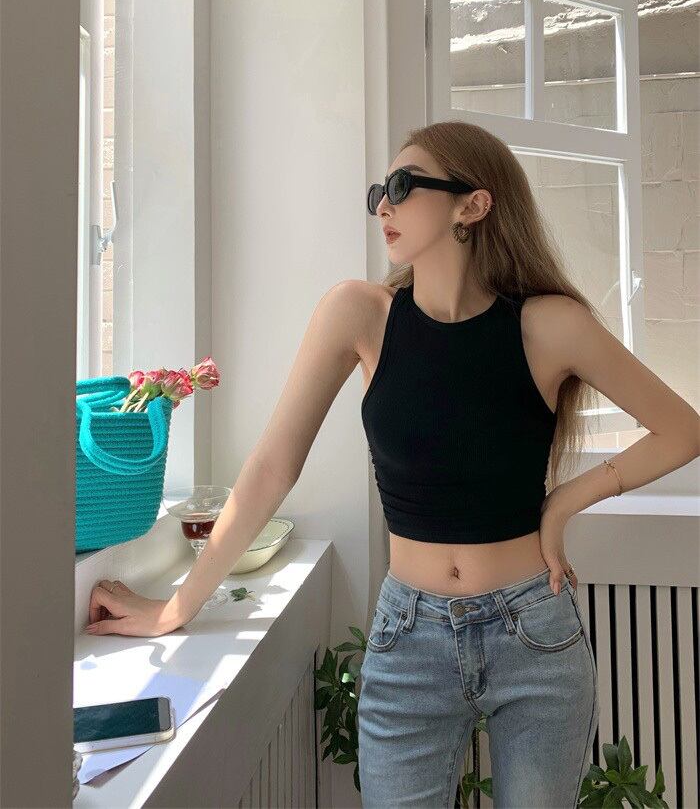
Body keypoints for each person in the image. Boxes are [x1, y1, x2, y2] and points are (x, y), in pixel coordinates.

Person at [85, 121, 700, 807]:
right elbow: (270, 468)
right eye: (380, 190)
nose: (383, 204)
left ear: (473, 204)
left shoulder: (549, 325)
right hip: (410, 639)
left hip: (534, 634)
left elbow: (682, 431)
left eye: (403, 186)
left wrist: (562, 504)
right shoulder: (359, 314)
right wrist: (177, 606)